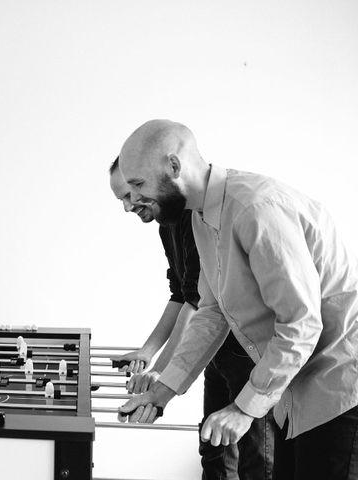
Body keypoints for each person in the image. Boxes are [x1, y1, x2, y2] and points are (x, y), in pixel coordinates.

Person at [117, 119, 358, 479]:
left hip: (339, 391)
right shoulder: (201, 218)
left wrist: (244, 409)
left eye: (138, 184)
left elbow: (301, 322)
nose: (131, 201)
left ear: (174, 166)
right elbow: (212, 311)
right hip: (295, 392)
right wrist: (163, 391)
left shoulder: (255, 208)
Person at [109, 157, 275, 479]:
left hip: (250, 353)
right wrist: (149, 356)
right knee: (214, 449)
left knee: (255, 458)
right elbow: (189, 296)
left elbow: (197, 304)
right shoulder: (172, 223)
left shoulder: (216, 213)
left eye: (132, 192)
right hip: (213, 350)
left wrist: (161, 372)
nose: (129, 206)